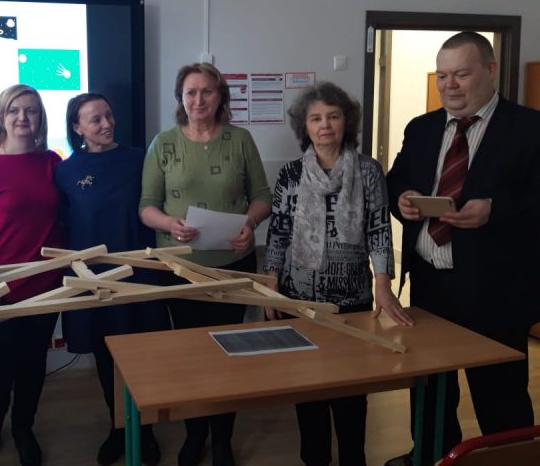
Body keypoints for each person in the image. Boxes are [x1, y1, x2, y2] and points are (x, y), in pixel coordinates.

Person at [384, 32, 540, 466]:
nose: (449, 85)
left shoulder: (529, 129)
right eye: (442, 76)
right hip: (431, 286)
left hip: (496, 291)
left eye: (461, 74)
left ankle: (510, 460)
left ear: (490, 70)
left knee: (500, 393)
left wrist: (495, 210)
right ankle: (432, 457)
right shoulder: (421, 128)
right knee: (431, 389)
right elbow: (395, 180)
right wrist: (401, 199)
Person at [263, 81, 411, 466]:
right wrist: (271, 282)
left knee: (350, 397)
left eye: (333, 116)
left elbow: (378, 229)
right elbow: (278, 231)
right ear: (305, 126)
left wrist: (384, 284)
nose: (325, 125)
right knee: (307, 391)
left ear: (347, 122)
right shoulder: (291, 173)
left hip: (353, 301)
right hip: (299, 299)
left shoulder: (369, 171)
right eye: (316, 118)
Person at [139, 62, 272, 466]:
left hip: (233, 266)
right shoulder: (163, 144)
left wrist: (250, 222)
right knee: (190, 357)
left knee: (228, 354)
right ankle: (195, 435)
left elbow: (263, 197)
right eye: (191, 92)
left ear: (220, 97)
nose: (199, 100)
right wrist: (169, 224)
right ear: (180, 98)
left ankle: (223, 439)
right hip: (179, 270)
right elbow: (146, 207)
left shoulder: (240, 139)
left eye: (207, 91)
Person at [55, 93, 170, 466]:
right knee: (107, 357)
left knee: (143, 354)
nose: (106, 124)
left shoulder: (140, 158)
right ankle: (118, 427)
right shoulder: (65, 171)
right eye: (95, 120)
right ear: (77, 128)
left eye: (108, 115)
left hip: (140, 273)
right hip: (95, 278)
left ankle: (145, 430)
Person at [0, 84, 64, 466]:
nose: (23, 117)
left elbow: (65, 217)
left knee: (33, 363)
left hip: (45, 286)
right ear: (1, 117)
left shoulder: (52, 162)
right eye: (14, 110)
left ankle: (23, 427)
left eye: (31, 110)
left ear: (40, 118)